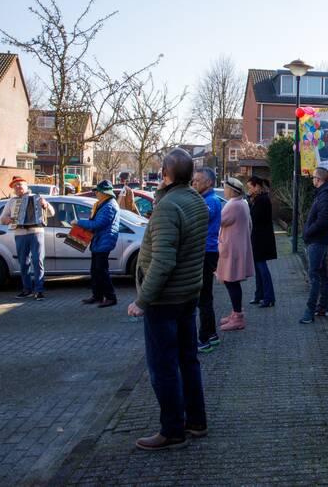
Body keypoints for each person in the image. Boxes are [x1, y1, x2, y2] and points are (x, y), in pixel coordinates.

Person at [127, 148, 208, 451]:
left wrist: (142, 300)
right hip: (188, 295)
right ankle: (196, 421)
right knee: (188, 361)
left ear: (165, 175)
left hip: (165, 300)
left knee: (163, 367)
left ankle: (172, 430)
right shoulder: (196, 201)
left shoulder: (168, 207)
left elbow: (163, 261)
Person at [0, 176, 54, 300]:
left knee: (38, 261)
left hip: (36, 232)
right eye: (15, 185)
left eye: (20, 184)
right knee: (24, 263)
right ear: (13, 189)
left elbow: (51, 213)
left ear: (26, 186)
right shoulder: (12, 201)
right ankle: (27, 289)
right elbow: (1, 219)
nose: (18, 187)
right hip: (20, 233)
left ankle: (39, 290)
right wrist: (6, 220)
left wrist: (45, 205)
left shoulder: (38, 197)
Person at [300, 167, 328, 324]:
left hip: (317, 241)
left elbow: (323, 220)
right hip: (319, 240)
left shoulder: (325, 196)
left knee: (314, 275)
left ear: (319, 179)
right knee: (322, 275)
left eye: (314, 177)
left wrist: (309, 232)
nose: (312, 180)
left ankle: (310, 311)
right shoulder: (324, 194)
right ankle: (322, 307)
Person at [189, 167, 222, 353]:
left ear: (209, 183)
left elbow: (198, 216)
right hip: (207, 251)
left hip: (206, 252)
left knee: (204, 297)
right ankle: (211, 335)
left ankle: (204, 339)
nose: (194, 184)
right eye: (193, 181)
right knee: (205, 296)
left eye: (197, 181)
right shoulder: (207, 199)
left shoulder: (210, 201)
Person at [216, 177, 254, 332]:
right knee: (232, 282)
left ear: (231, 190)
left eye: (225, 188)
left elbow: (218, 221)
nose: (224, 190)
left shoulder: (233, 205)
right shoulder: (242, 203)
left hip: (232, 249)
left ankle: (238, 317)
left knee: (231, 281)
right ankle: (235, 313)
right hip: (236, 248)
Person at [74, 180, 120, 308]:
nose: (96, 193)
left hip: (104, 241)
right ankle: (97, 295)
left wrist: (79, 222)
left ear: (104, 193)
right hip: (99, 240)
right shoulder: (103, 203)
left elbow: (97, 224)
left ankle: (111, 297)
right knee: (95, 270)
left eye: (97, 191)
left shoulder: (109, 206)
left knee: (101, 270)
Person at [247, 176, 276, 308]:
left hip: (261, 239)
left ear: (257, 186)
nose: (249, 190)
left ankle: (269, 297)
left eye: (250, 187)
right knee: (258, 269)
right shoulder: (257, 199)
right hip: (257, 238)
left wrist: (250, 201)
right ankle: (259, 295)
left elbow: (254, 217)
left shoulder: (262, 200)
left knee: (262, 268)